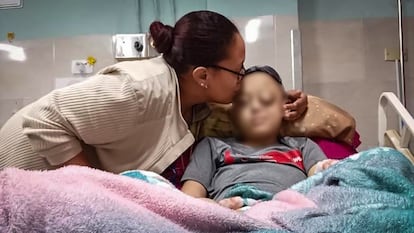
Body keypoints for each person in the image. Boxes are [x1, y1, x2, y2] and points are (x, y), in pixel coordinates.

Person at [0, 11, 308, 174]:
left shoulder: (194, 103)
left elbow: (240, 116)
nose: (243, 77)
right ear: (202, 75)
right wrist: (93, 188)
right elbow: (44, 119)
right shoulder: (139, 90)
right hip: (22, 165)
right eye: (238, 69)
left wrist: (277, 102)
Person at [181, 66, 336, 209]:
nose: (255, 107)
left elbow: (324, 180)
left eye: (266, 100)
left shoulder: (302, 146)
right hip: (233, 213)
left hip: (286, 213)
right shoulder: (212, 146)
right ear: (233, 112)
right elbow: (189, 199)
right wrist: (210, 209)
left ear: (285, 107)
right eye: (244, 102)